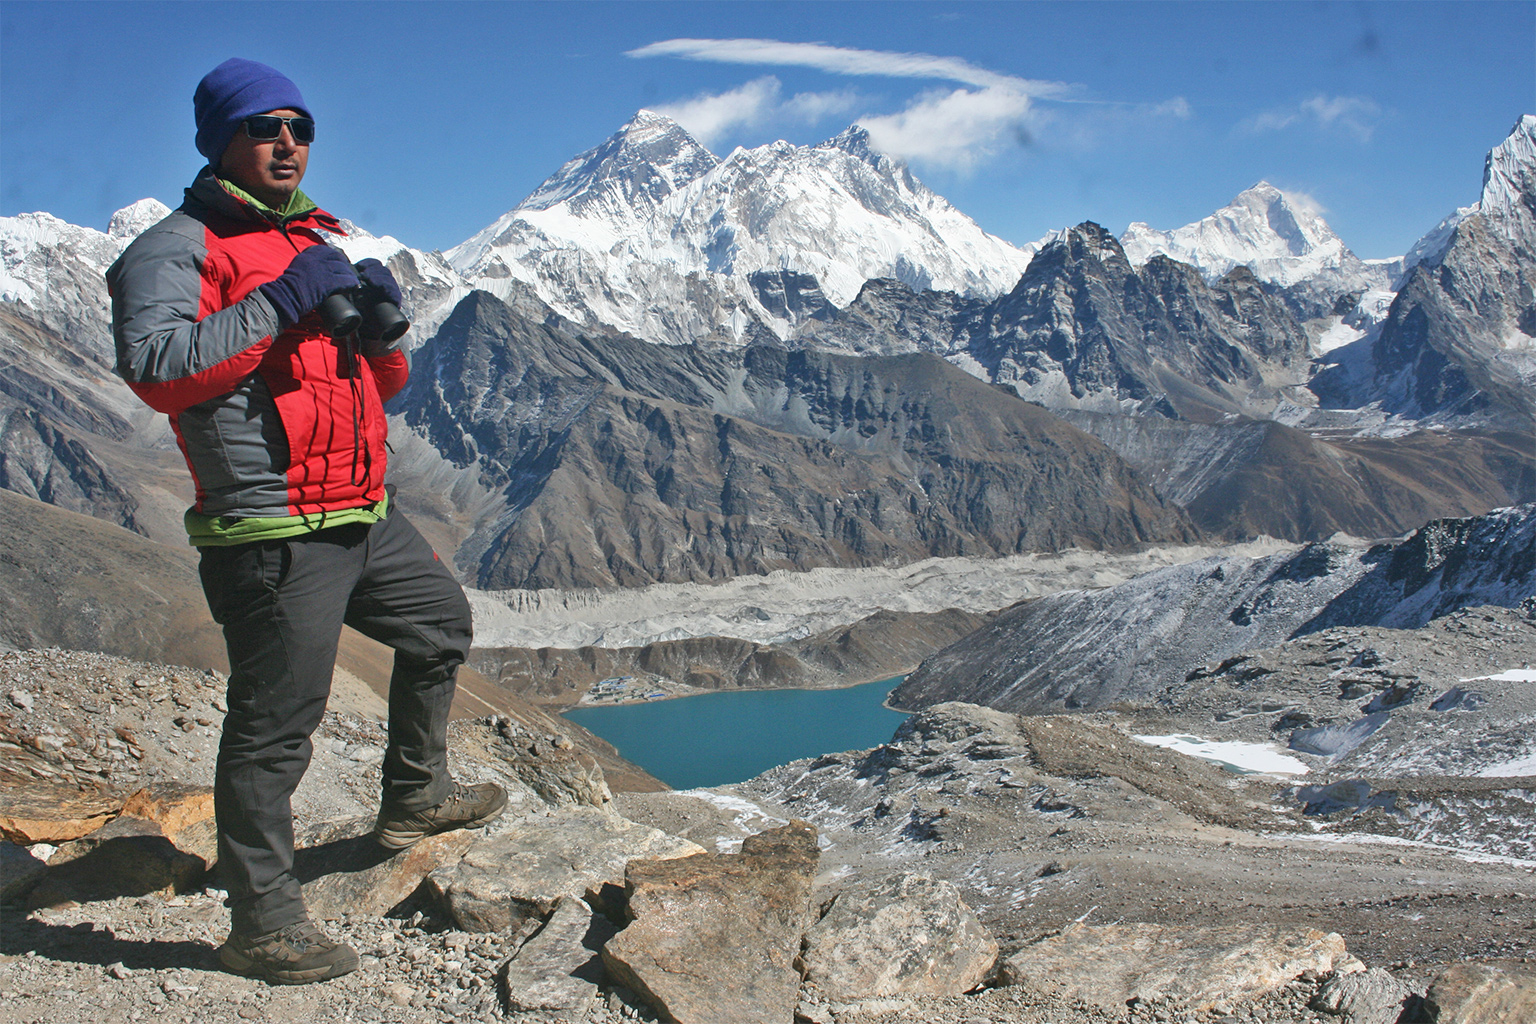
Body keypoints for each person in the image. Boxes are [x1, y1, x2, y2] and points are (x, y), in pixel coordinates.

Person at [106, 58, 505, 985]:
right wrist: (278, 303)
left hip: (360, 506)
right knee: (277, 723)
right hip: (272, 525)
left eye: (299, 126)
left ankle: (416, 795)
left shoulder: (311, 239)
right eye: (262, 126)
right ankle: (263, 920)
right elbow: (161, 369)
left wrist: (379, 340)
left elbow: (372, 388)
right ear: (219, 143)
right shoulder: (176, 247)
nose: (286, 142)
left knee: (441, 624)